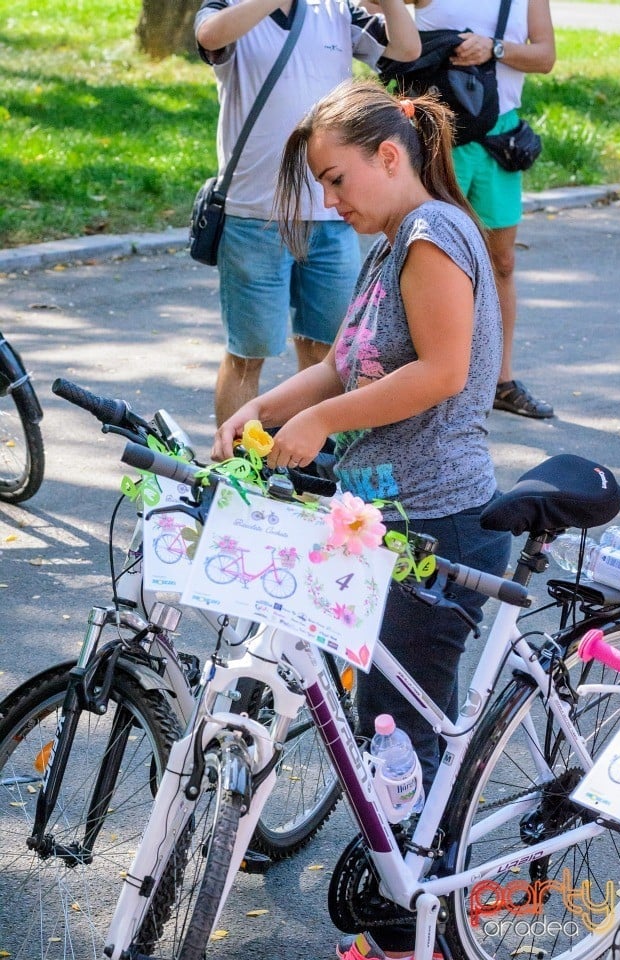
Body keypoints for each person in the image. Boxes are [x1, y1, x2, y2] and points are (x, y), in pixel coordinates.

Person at [213, 76, 512, 960]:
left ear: (391, 155)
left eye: (337, 179)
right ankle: (406, 925)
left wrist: (317, 427)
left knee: (403, 746)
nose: (331, 202)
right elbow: (348, 365)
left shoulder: (432, 236)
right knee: (383, 726)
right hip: (383, 519)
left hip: (438, 525)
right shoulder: (392, 244)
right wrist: (263, 411)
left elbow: (444, 372)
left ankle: (406, 938)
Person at [194, 0, 420, 426]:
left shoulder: (335, 11)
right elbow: (209, 37)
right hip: (255, 215)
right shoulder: (229, 8)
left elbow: (407, 49)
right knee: (248, 353)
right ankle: (231, 472)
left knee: (327, 352)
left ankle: (308, 466)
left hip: (334, 214)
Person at [411, 0, 557, 418]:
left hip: (499, 136)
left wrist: (493, 49)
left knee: (502, 262)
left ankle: (500, 381)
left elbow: (545, 56)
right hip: (440, 132)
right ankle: (422, 375)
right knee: (426, 256)